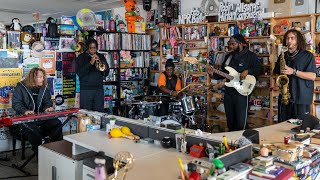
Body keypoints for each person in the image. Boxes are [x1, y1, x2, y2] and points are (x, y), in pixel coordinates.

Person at [208, 34, 262, 131]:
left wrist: (248, 71)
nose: (231, 46)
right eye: (230, 44)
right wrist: (213, 73)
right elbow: (223, 73)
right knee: (230, 121)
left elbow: (259, 69)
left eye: (233, 44)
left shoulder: (251, 56)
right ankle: (231, 143)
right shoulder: (228, 57)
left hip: (242, 93)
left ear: (240, 44)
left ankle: (242, 142)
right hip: (229, 92)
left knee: (241, 122)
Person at [12, 67, 62, 152]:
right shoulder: (20, 87)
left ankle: (54, 150)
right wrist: (25, 111)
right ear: (33, 78)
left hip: (41, 118)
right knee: (34, 131)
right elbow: (16, 104)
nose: (42, 79)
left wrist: (48, 108)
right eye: (40, 77)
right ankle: (39, 153)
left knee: (57, 123)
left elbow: (47, 101)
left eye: (43, 77)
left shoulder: (44, 88)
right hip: (26, 120)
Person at [273, 29, 316, 122]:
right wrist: (278, 83)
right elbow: (276, 74)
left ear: (298, 40)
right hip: (285, 97)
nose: (289, 41)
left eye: (292, 38)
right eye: (287, 38)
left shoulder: (308, 55)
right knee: (282, 126)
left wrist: (293, 71)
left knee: (299, 128)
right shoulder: (282, 56)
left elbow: (312, 76)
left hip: (301, 98)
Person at [76, 38, 109, 112]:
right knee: (86, 113)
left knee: (99, 113)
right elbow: (80, 73)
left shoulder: (100, 56)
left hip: (99, 90)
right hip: (86, 90)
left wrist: (101, 64)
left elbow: (106, 73)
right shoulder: (81, 57)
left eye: (95, 48)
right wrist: (90, 63)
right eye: (91, 48)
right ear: (87, 47)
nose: (93, 50)